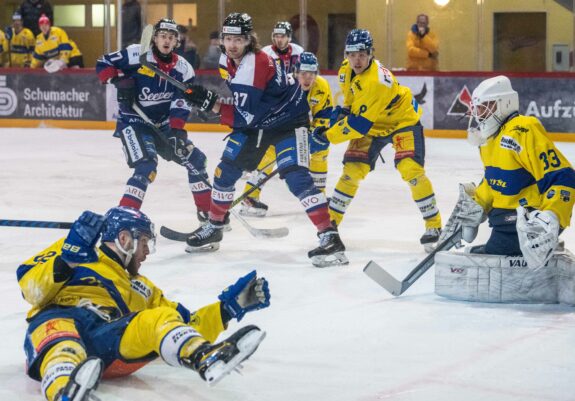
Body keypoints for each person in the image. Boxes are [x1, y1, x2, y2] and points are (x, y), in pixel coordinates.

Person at [18, 206, 270, 401]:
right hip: (56, 319)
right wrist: (67, 260)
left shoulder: (144, 288)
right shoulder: (76, 250)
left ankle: (206, 357)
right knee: (62, 343)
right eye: (145, 242)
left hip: (108, 338)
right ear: (124, 239)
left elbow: (183, 324)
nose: (147, 251)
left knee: (158, 317)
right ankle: (65, 392)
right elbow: (30, 289)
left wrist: (226, 310)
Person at [183, 12, 347, 267]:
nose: (233, 45)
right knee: (225, 171)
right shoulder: (227, 61)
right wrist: (210, 102)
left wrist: (211, 104)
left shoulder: (254, 63)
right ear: (222, 41)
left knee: (297, 178)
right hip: (260, 121)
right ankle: (215, 226)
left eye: (239, 39)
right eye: (228, 39)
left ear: (249, 40)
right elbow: (245, 107)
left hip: (290, 123)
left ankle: (330, 238)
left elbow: (243, 116)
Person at [309, 29, 443, 251]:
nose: (357, 59)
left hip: (402, 122)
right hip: (372, 123)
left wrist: (326, 137)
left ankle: (434, 226)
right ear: (346, 55)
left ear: (371, 53)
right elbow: (350, 103)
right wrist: (340, 113)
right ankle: (329, 227)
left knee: (411, 170)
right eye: (352, 54)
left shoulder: (376, 81)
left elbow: (358, 125)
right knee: (352, 171)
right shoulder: (346, 69)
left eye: (362, 54)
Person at [439, 75, 575, 269]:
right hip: (504, 221)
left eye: (485, 107)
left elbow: (563, 176)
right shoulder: (489, 140)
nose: (479, 115)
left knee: (491, 255)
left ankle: (536, 244)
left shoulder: (523, 129)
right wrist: (475, 207)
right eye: (477, 109)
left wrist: (552, 215)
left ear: (505, 104)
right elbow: (493, 180)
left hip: (528, 221)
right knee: (490, 250)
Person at [96, 18, 213, 225]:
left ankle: (207, 214)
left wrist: (177, 132)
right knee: (146, 166)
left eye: (171, 37)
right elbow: (103, 62)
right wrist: (118, 80)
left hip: (163, 125)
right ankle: (124, 219)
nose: (166, 41)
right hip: (133, 122)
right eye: (162, 36)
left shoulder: (184, 68)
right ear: (154, 38)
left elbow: (181, 101)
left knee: (196, 160)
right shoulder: (135, 55)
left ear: (177, 41)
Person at [238, 21, 306, 217]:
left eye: (282, 35)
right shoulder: (266, 52)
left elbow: (305, 75)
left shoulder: (299, 51)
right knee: (268, 156)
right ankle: (250, 195)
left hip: (292, 106)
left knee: (303, 157)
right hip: (274, 108)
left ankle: (315, 195)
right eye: (276, 35)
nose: (279, 39)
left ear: (289, 36)